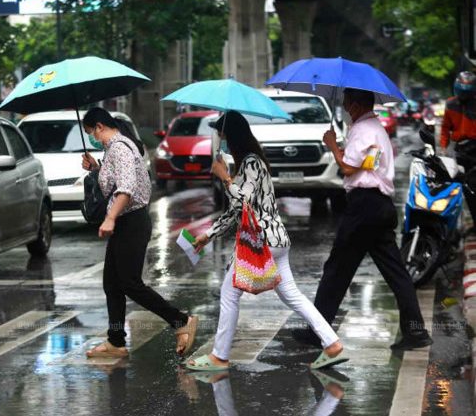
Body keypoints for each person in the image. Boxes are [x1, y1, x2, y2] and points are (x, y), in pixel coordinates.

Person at [184, 111, 345, 371]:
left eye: (221, 134)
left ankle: (219, 356)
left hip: (260, 241)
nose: (219, 140)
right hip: (276, 239)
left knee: (228, 294)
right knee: (292, 295)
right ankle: (332, 343)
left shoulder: (251, 163)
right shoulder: (251, 162)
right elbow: (237, 211)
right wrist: (208, 235)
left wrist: (224, 177)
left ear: (231, 136)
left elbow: (242, 201)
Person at [295, 88, 432, 350]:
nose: (345, 107)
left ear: (357, 105)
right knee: (397, 274)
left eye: (347, 102)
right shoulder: (377, 129)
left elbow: (347, 168)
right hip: (379, 206)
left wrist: (332, 145)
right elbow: (366, 164)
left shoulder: (361, 130)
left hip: (363, 206)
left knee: (336, 271)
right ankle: (416, 332)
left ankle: (317, 333)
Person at [80, 107, 198, 358]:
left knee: (130, 283)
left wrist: (110, 218)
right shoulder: (112, 149)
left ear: (100, 126)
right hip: (126, 222)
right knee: (112, 284)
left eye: (91, 132)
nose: (92, 137)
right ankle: (116, 341)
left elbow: (126, 188)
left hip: (131, 222)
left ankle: (180, 320)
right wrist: (95, 168)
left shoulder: (120, 148)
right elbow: (113, 182)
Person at [440, 71, 476, 221]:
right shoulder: (450, 104)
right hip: (459, 150)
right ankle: (453, 222)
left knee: (472, 189)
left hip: (474, 149)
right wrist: (443, 149)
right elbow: (444, 129)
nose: (464, 96)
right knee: (453, 186)